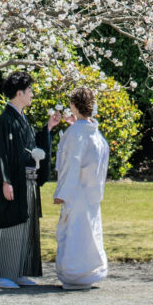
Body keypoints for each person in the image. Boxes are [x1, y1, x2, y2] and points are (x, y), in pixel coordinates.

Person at [0, 71, 61, 289]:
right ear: (19, 93)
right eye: (29, 91)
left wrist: (48, 128)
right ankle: (4, 274)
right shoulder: (6, 119)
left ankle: (18, 271)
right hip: (13, 182)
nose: (32, 95)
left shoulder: (20, 117)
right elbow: (0, 153)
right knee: (10, 223)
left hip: (26, 180)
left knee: (26, 225)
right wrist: (5, 181)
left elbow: (30, 144)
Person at [52, 85, 110, 290]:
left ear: (73, 105)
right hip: (91, 190)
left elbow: (71, 163)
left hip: (76, 191)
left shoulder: (76, 133)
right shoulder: (95, 133)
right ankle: (90, 270)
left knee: (75, 230)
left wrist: (62, 192)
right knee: (89, 230)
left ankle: (74, 273)